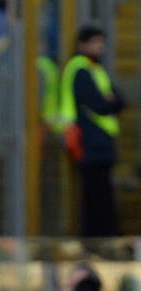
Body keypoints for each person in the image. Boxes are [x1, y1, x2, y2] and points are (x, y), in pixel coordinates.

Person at [60, 25, 125, 237]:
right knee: (93, 196)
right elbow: (101, 104)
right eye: (96, 42)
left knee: (103, 194)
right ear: (83, 44)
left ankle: (104, 237)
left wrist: (111, 101)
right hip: (88, 142)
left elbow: (119, 100)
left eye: (102, 42)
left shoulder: (96, 69)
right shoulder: (79, 69)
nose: (101, 47)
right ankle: (96, 239)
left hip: (102, 143)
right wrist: (109, 101)